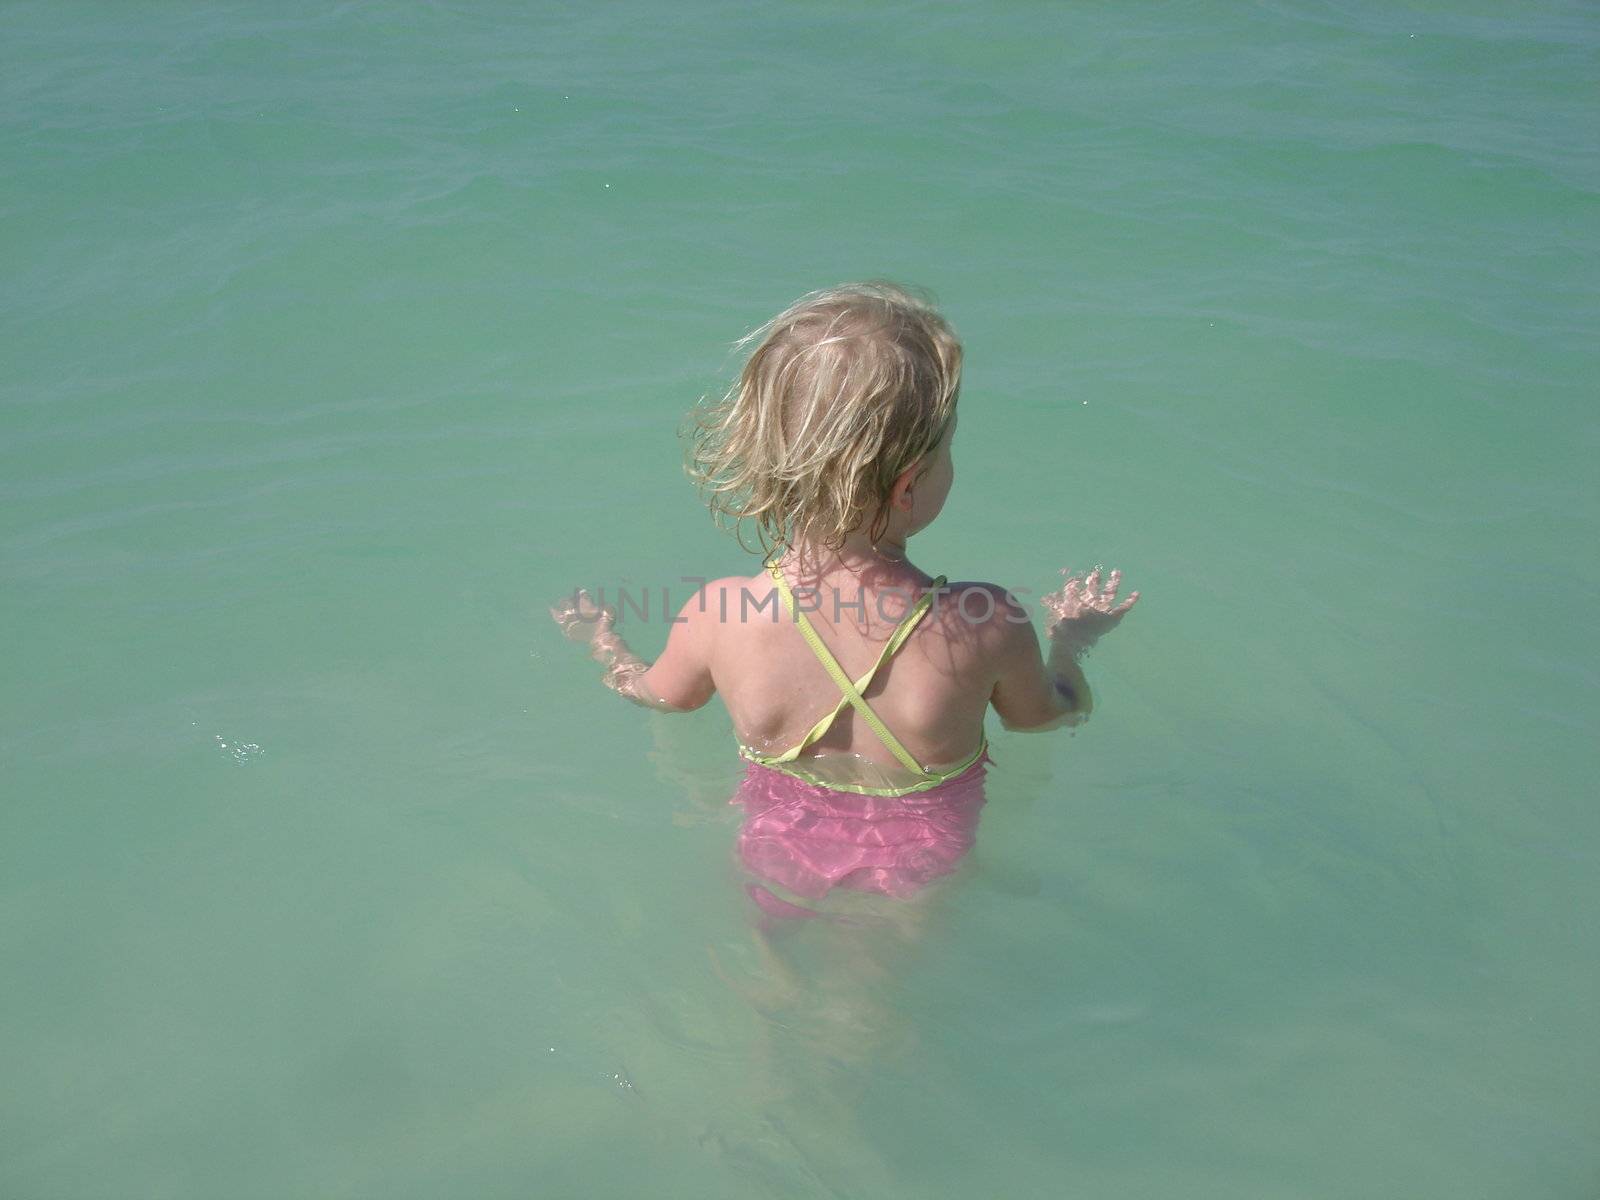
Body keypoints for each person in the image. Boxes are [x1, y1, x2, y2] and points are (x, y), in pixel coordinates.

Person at [551, 281, 1138, 922]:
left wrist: (602, 644)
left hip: (775, 844)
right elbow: (1047, 718)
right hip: (922, 862)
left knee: (765, 978)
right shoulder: (985, 622)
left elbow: (659, 696)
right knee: (872, 1005)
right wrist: (1074, 640)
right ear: (910, 484)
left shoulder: (718, 615)